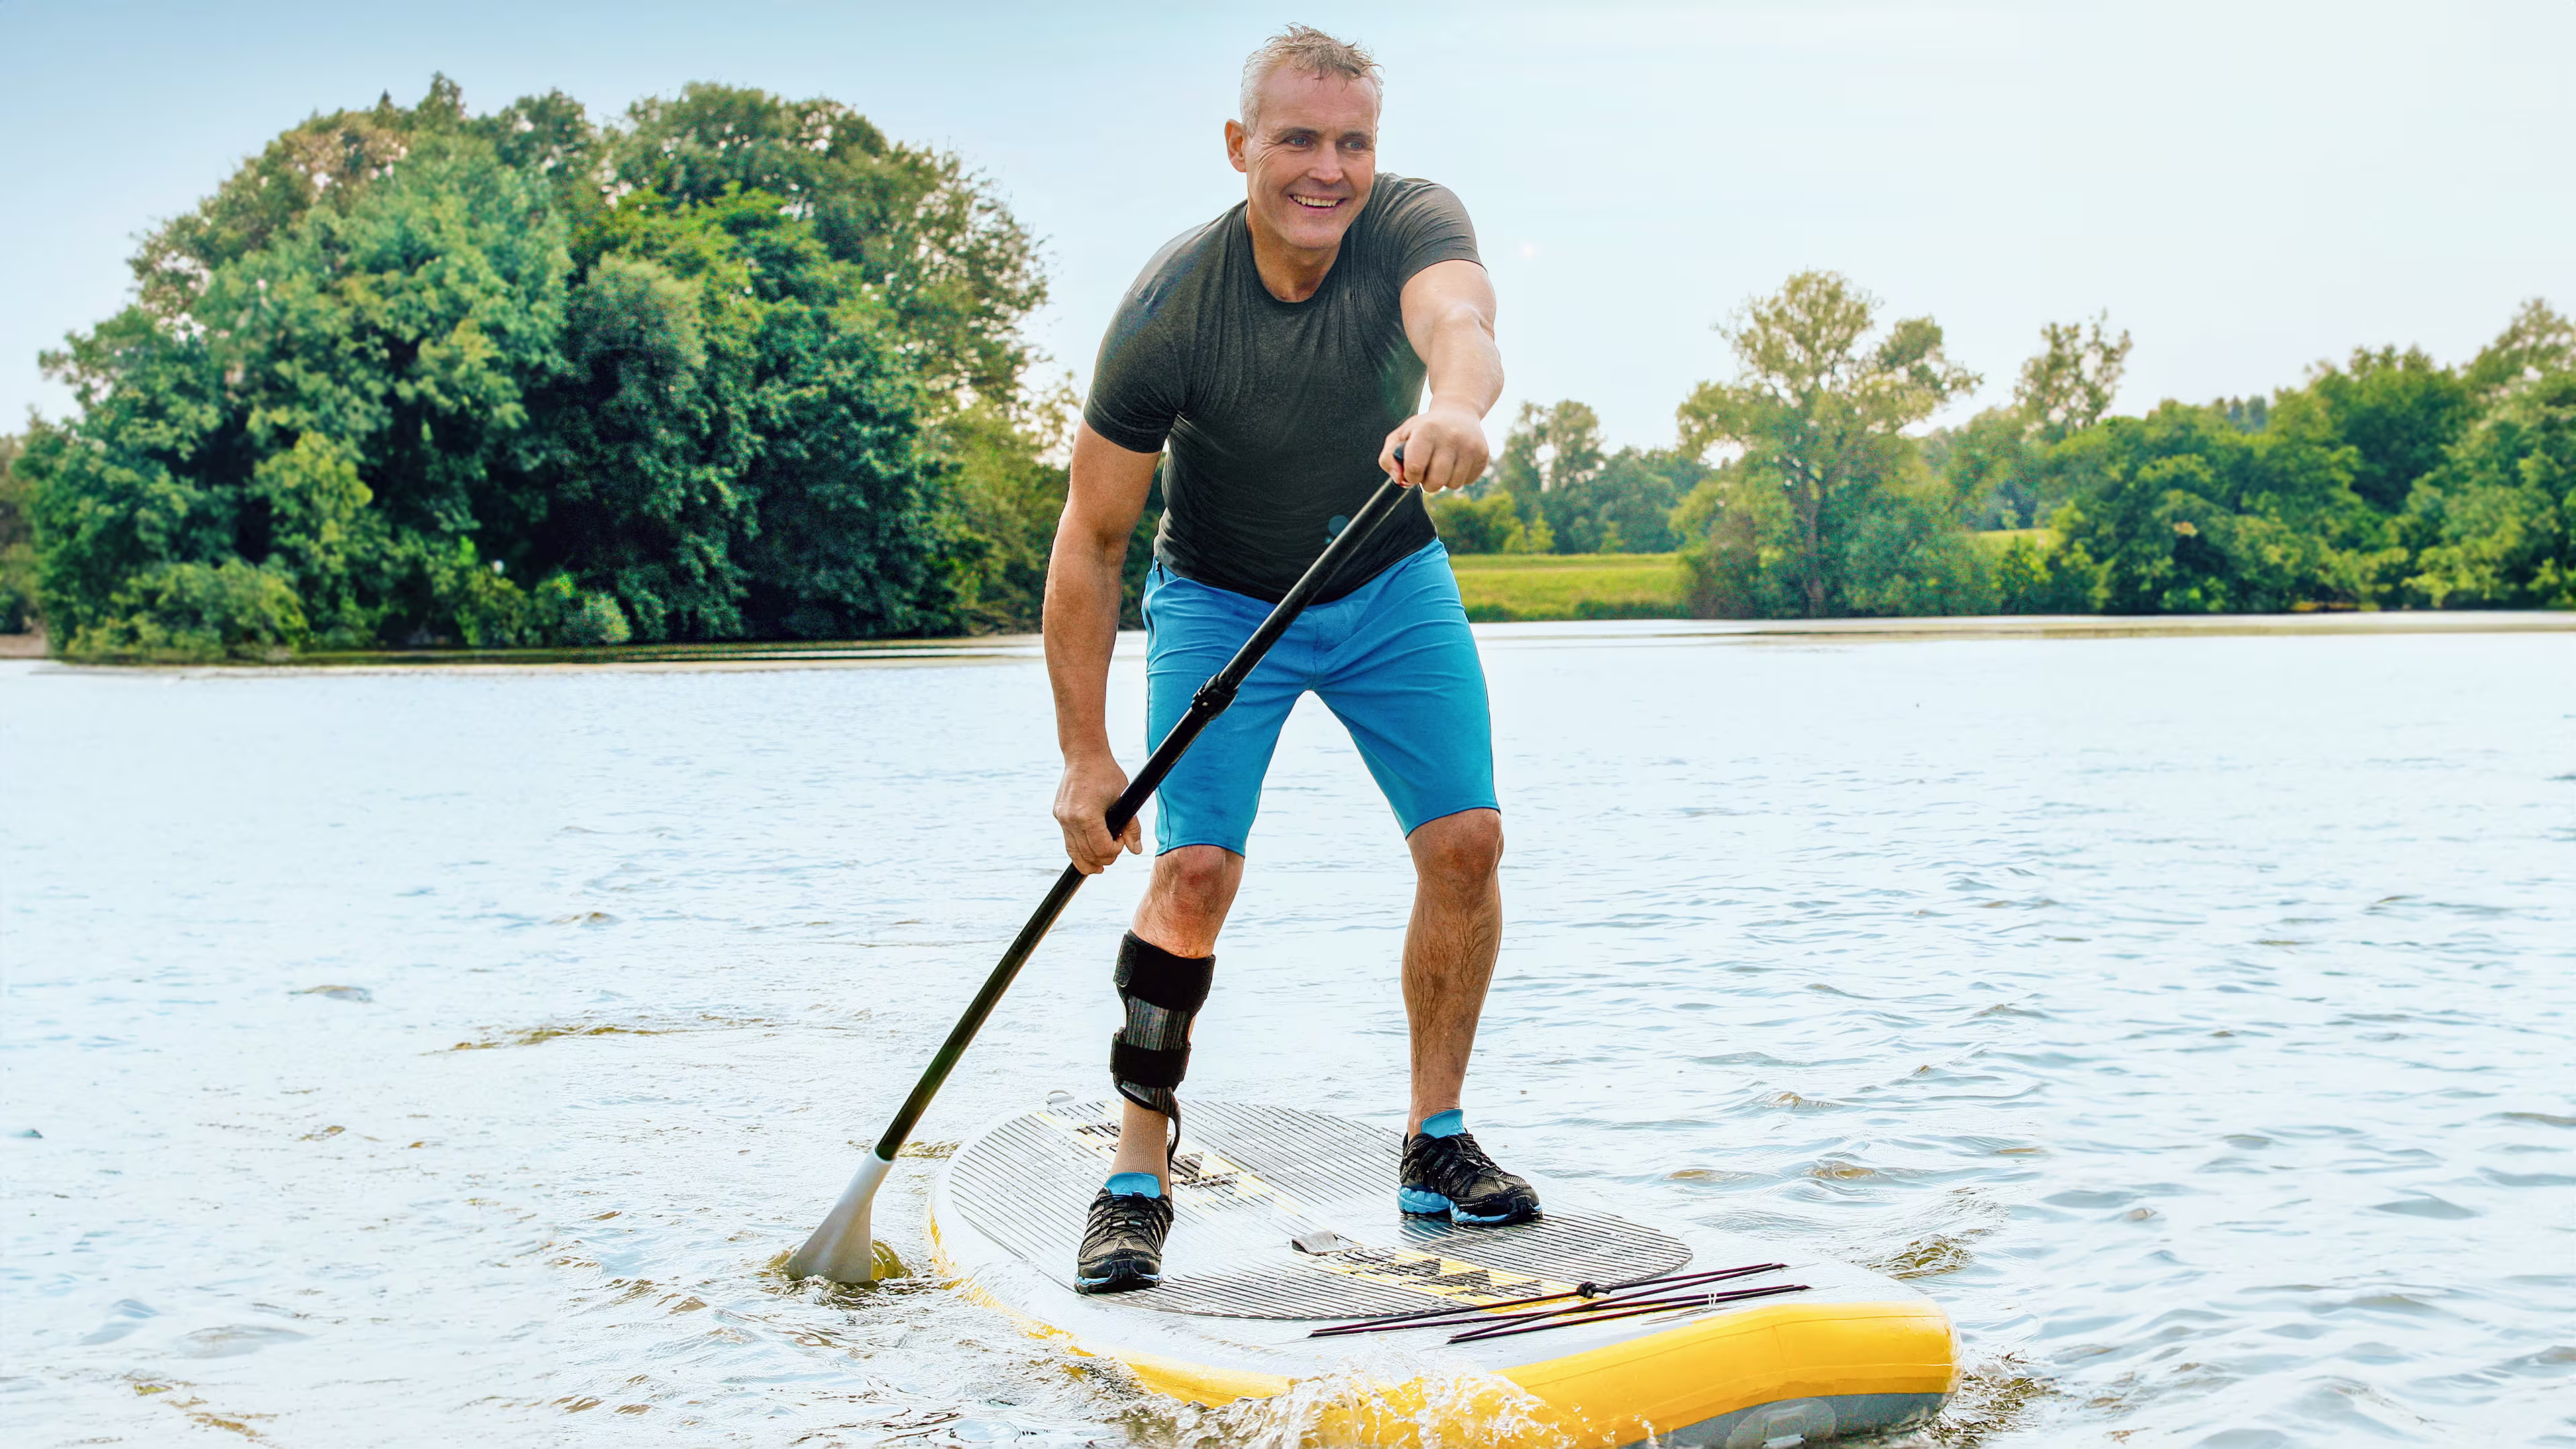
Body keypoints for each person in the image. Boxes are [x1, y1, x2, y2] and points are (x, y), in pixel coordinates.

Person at [1042, 25, 1534, 1295]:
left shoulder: (1410, 223)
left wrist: (1459, 407)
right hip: (1216, 598)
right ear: (1239, 147)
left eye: (1353, 141)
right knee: (1194, 872)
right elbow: (1094, 543)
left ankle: (1435, 1143)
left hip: (1385, 583)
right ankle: (1135, 1177)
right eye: (1299, 140)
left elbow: (1461, 321)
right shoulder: (1170, 311)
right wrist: (1086, 758)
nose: (1329, 169)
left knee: (1466, 842)